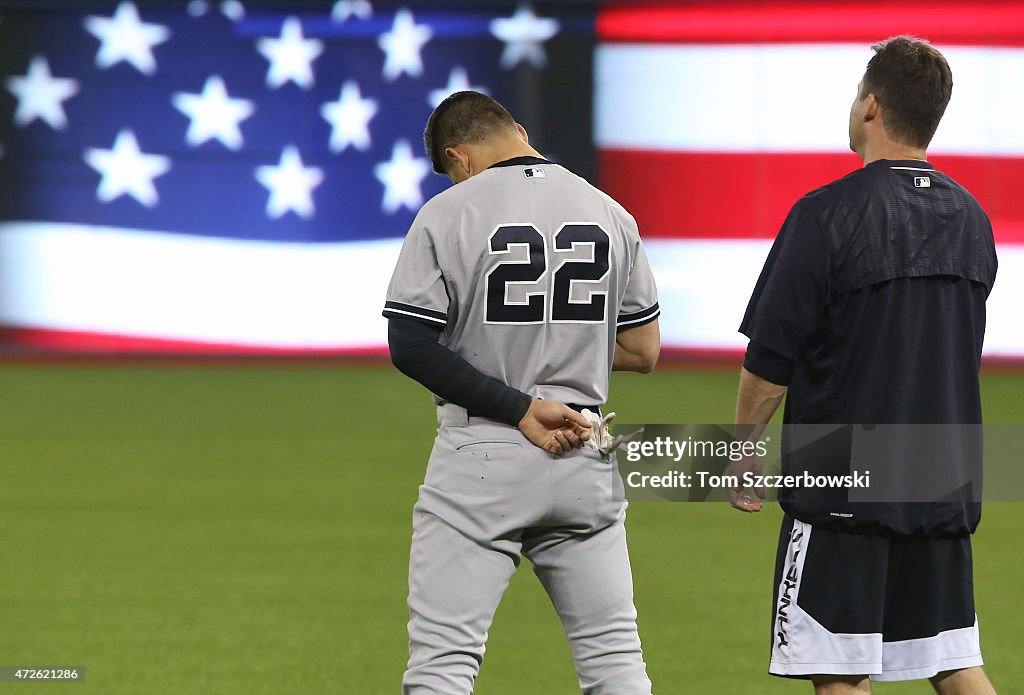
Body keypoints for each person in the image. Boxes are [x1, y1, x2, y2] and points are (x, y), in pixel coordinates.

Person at [728, 37, 998, 694]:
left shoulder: (825, 215)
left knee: (837, 670)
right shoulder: (973, 219)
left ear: (871, 106)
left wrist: (740, 450)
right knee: (954, 662)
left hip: (843, 486)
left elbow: (770, 358)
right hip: (944, 480)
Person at [382, 91, 661, 695]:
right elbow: (643, 352)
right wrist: (569, 345)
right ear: (520, 131)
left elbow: (410, 346)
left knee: (443, 665)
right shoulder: (611, 211)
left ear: (459, 156)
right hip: (586, 446)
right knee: (614, 658)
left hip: (487, 448)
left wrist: (519, 401)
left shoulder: (449, 211)